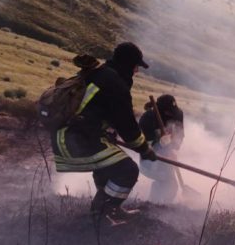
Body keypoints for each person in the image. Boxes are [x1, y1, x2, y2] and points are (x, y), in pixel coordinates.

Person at [50, 42, 157, 223]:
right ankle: (104, 213)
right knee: (128, 170)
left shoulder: (100, 74)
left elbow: (97, 112)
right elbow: (127, 127)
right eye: (136, 67)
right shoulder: (115, 84)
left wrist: (107, 133)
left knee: (109, 165)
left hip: (69, 135)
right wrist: (145, 149)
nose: (136, 71)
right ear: (128, 64)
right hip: (77, 138)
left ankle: (105, 211)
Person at [138, 94, 184, 204]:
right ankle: (155, 204)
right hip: (149, 159)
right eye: (168, 112)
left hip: (167, 158)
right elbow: (143, 145)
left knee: (171, 185)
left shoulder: (178, 114)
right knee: (169, 183)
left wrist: (174, 146)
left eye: (172, 112)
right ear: (161, 110)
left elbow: (180, 135)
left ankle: (158, 204)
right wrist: (160, 143)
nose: (171, 115)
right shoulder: (147, 119)